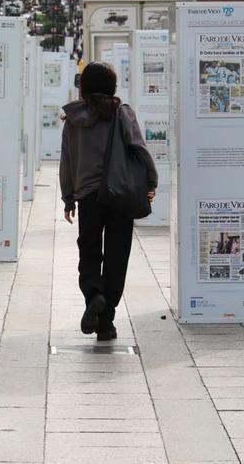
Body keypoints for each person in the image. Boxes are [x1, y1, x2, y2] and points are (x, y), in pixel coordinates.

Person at [59, 62, 158, 341]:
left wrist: (68, 198)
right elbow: (139, 148)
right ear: (113, 86)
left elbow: (66, 161)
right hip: (120, 193)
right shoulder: (122, 114)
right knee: (117, 256)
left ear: (84, 87)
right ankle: (106, 323)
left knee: (88, 252)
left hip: (88, 197)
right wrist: (151, 181)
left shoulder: (73, 120)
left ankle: (94, 293)